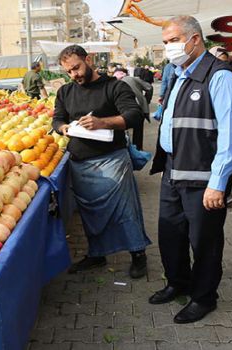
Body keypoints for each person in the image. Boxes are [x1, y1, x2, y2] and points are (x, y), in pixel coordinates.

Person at [148, 15, 232, 324]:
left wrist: (219, 183)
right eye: (166, 42)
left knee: (204, 241)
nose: (169, 48)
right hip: (173, 170)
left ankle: (204, 297)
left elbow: (230, 138)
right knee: (170, 234)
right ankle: (177, 282)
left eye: (173, 41)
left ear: (194, 39)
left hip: (203, 177)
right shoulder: (179, 74)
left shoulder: (221, 77)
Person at [53, 45, 151, 278]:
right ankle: (97, 254)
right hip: (80, 163)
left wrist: (102, 123)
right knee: (90, 214)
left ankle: (138, 254)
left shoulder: (114, 87)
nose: (74, 75)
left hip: (113, 161)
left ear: (88, 60)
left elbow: (134, 116)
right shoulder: (65, 92)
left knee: (125, 210)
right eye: (69, 71)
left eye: (76, 67)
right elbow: (57, 119)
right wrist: (63, 128)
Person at [120, 71, 153, 150]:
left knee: (122, 130)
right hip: (138, 107)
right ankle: (137, 149)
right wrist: (146, 100)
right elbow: (149, 87)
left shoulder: (112, 81)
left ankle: (126, 148)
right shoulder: (132, 79)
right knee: (138, 130)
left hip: (123, 109)